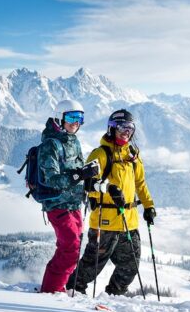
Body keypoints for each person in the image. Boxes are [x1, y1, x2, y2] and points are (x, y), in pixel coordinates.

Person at [67, 109, 156, 296]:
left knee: (130, 265)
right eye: (122, 127)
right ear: (112, 129)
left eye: (130, 128)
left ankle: (114, 296)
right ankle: (73, 289)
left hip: (129, 222)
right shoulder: (101, 154)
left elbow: (140, 183)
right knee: (93, 264)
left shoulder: (132, 155)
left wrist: (149, 206)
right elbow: (88, 184)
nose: (127, 132)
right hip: (105, 222)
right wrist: (108, 189)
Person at [37, 99, 99, 293]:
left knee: (72, 248)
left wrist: (88, 181)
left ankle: (55, 287)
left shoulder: (74, 141)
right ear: (60, 118)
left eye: (80, 118)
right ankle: (51, 291)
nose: (76, 122)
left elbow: (76, 171)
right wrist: (79, 175)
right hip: (57, 205)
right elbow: (51, 179)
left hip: (74, 204)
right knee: (70, 249)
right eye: (71, 117)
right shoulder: (51, 145)